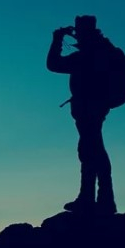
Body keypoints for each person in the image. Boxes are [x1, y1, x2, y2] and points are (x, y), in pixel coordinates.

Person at [46, 15, 117, 215]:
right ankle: (98, 199)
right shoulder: (103, 50)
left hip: (89, 107)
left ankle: (96, 200)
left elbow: (53, 64)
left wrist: (57, 38)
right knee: (91, 148)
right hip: (95, 106)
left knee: (90, 149)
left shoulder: (89, 55)